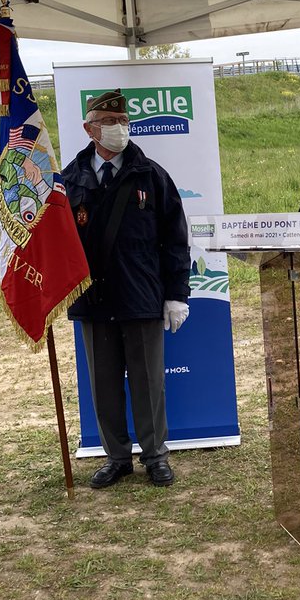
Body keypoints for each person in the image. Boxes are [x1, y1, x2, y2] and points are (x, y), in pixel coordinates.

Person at [63, 89, 191, 490]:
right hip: (93, 298)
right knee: (103, 383)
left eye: (122, 122)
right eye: (108, 122)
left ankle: (155, 456)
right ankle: (117, 458)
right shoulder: (69, 180)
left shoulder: (151, 175)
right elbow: (57, 243)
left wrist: (176, 295)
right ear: (89, 128)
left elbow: (175, 238)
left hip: (140, 296)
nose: (117, 129)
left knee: (148, 382)